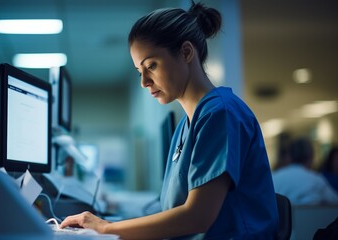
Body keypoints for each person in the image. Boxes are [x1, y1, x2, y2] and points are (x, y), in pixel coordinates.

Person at [60, 2, 279, 239]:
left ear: (186, 52)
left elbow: (198, 216)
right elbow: (172, 210)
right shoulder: (186, 126)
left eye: (151, 65)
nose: (144, 81)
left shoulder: (220, 113)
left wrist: (106, 228)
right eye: (139, 71)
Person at [272, 138, 338, 205]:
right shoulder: (317, 180)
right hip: (312, 215)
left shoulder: (274, 178)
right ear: (311, 158)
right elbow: (335, 203)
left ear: (288, 157)